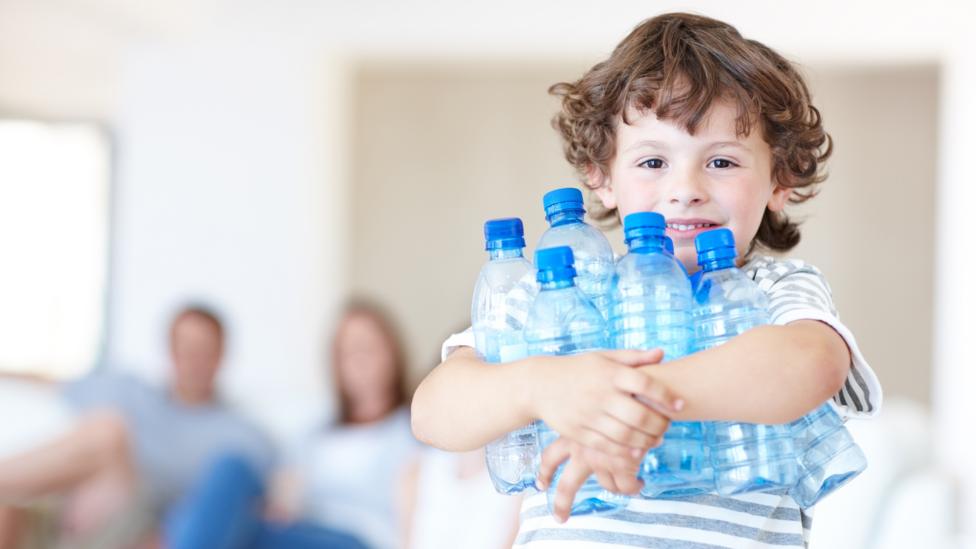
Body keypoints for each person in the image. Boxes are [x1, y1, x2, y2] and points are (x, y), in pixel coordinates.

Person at [411, 12, 883, 548]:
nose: (686, 188)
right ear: (600, 176)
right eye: (654, 161)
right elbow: (433, 411)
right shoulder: (560, 292)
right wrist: (544, 385)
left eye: (723, 162)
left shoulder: (774, 289)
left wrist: (630, 399)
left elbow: (811, 364)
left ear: (781, 180)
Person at [0, 304, 275, 547]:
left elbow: (274, 498)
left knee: (110, 432)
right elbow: (54, 384)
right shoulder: (132, 391)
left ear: (221, 356)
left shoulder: (240, 433)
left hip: (141, 524)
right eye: (186, 350)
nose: (195, 362)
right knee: (6, 509)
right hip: (72, 510)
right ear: (170, 351)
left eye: (205, 351)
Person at [167, 298, 419, 549]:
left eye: (367, 348)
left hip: (359, 540)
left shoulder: (411, 430)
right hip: (301, 529)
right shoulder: (313, 435)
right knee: (229, 471)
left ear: (393, 353)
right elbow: (284, 494)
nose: (358, 361)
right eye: (347, 352)